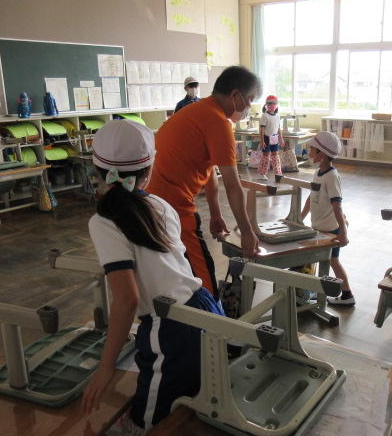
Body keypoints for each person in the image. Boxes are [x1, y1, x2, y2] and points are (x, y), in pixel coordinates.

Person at [81, 119, 224, 434]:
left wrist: (106, 367)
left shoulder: (103, 222)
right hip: (205, 307)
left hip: (170, 327)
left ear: (96, 171)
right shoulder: (160, 204)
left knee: (145, 424)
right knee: (195, 396)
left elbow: (128, 299)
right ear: (148, 171)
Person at [146, 66, 261, 297]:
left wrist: (216, 214)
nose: (250, 107)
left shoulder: (199, 110)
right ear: (236, 95)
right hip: (172, 206)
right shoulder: (218, 122)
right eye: (250, 100)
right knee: (203, 275)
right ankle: (211, 317)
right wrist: (247, 232)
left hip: (151, 199)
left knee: (173, 266)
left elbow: (209, 172)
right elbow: (233, 186)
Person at [300, 131, 355, 306]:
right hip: (320, 228)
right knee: (324, 260)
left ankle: (347, 295)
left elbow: (337, 206)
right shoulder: (318, 173)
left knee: (333, 261)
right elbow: (311, 198)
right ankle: (320, 292)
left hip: (332, 230)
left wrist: (343, 233)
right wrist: (300, 218)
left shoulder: (331, 176)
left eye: (312, 149)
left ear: (321, 154)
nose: (309, 152)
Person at [257, 95, 285, 181]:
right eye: (269, 103)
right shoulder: (264, 116)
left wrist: (281, 138)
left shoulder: (277, 116)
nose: (272, 105)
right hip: (266, 138)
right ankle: (262, 173)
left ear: (276, 104)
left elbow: (278, 128)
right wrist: (262, 141)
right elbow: (262, 129)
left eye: (274, 103)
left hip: (274, 138)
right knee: (265, 156)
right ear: (266, 105)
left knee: (275, 156)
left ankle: (278, 173)